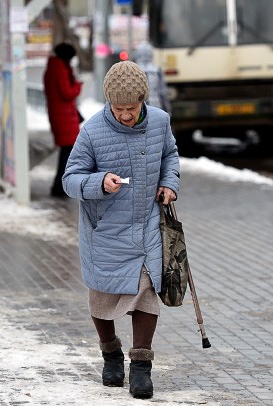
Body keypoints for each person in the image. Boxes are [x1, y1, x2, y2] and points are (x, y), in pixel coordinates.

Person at [62, 61, 180, 399]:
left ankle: (141, 366)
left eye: (131, 108)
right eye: (119, 108)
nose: (126, 115)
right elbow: (70, 179)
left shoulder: (160, 122)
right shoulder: (92, 130)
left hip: (146, 229)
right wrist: (99, 181)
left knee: (146, 293)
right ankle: (110, 354)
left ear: (143, 99)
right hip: (106, 231)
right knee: (103, 296)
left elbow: (170, 156)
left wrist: (169, 184)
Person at [43, 43, 83, 197]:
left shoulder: (54, 67)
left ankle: (59, 186)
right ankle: (59, 187)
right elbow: (67, 93)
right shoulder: (59, 69)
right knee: (68, 152)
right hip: (64, 116)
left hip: (62, 115)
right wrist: (78, 86)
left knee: (67, 151)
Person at [133, 41, 172, 114]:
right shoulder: (157, 70)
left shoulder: (133, 70)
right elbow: (163, 92)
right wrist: (168, 109)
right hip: (155, 107)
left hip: (138, 110)